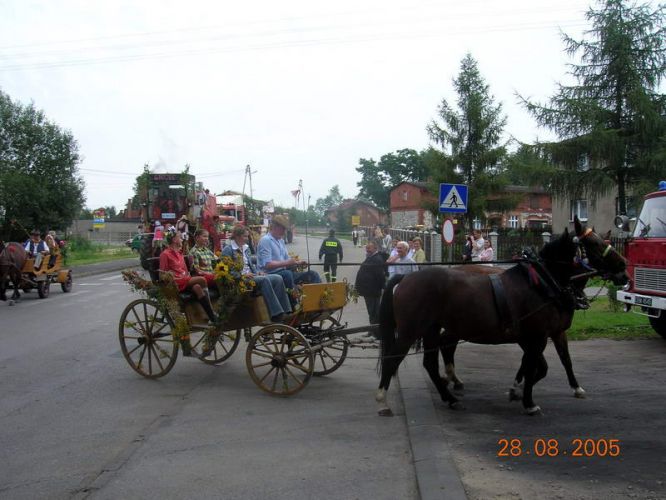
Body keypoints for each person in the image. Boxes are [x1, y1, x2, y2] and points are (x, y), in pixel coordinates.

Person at [223, 225, 292, 322]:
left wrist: (257, 272)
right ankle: (276, 313)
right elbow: (227, 271)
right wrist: (242, 275)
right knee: (264, 280)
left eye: (247, 236)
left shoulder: (246, 248)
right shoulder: (228, 249)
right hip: (240, 279)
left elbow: (249, 265)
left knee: (277, 278)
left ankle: (287, 311)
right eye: (245, 236)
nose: (247, 239)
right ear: (237, 236)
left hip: (252, 276)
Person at [159, 232, 217, 325]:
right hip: (175, 282)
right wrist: (170, 276)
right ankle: (212, 313)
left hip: (185, 280)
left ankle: (206, 316)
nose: (182, 239)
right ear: (174, 240)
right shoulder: (165, 254)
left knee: (197, 287)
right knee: (202, 280)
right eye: (180, 237)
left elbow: (186, 272)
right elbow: (161, 274)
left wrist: (188, 276)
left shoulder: (180, 253)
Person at [256, 215, 321, 290]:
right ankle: (294, 300)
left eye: (285, 229)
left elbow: (287, 259)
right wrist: (288, 263)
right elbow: (267, 265)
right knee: (287, 274)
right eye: (283, 228)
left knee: (312, 274)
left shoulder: (281, 241)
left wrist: (298, 263)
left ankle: (315, 298)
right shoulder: (265, 240)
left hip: (284, 273)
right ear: (274, 226)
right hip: (269, 274)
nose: (285, 232)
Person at [354, 241, 385, 334]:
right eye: (366, 248)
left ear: (375, 248)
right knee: (371, 311)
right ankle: (372, 330)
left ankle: (375, 332)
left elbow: (380, 276)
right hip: (368, 291)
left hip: (373, 291)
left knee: (374, 312)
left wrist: (382, 288)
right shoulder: (370, 257)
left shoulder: (377, 259)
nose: (367, 250)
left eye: (369, 248)